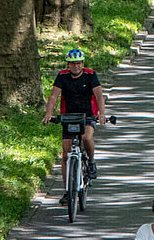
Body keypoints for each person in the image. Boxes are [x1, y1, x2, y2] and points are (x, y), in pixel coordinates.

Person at [43, 48, 107, 205]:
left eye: (78, 63)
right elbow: (53, 96)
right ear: (68, 64)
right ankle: (67, 191)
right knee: (66, 154)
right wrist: (49, 114)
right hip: (69, 116)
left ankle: (91, 163)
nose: (76, 66)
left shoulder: (90, 75)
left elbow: (99, 95)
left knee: (86, 137)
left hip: (88, 115)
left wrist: (102, 114)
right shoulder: (62, 76)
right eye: (72, 64)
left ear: (83, 63)